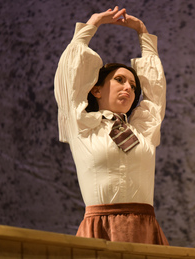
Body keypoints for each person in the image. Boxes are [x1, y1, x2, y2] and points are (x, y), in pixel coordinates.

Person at [54, 6, 168, 245]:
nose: (128, 87)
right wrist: (92, 24)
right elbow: (69, 76)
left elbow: (155, 92)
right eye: (119, 80)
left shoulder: (142, 130)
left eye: (133, 86)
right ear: (96, 89)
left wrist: (143, 33)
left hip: (145, 231)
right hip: (100, 230)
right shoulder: (83, 126)